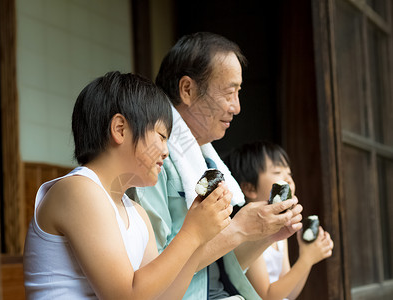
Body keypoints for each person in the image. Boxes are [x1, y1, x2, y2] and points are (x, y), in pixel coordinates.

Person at [23, 71, 234, 299]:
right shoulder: (79, 190)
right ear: (120, 129)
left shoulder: (137, 214)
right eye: (162, 136)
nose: (165, 151)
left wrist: (200, 238)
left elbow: (162, 297)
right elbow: (125, 296)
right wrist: (191, 233)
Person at [127, 32, 303, 299]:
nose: (237, 107)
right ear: (187, 90)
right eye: (229, 92)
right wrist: (239, 229)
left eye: (239, 93)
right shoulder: (154, 158)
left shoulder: (206, 159)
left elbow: (223, 267)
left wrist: (264, 235)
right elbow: (155, 270)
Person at [223, 141, 334, 300]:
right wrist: (307, 258)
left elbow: (290, 293)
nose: (288, 179)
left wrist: (307, 255)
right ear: (249, 189)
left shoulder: (280, 230)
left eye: (289, 174)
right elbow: (266, 296)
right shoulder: (248, 230)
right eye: (277, 172)